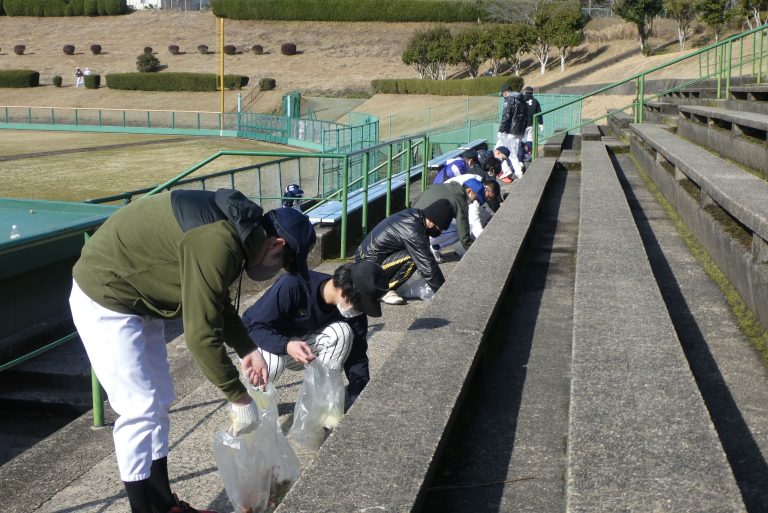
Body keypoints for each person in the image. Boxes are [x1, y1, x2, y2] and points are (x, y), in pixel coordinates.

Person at [68, 188, 316, 513]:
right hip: (105, 296)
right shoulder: (219, 242)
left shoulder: (240, 234)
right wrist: (238, 396)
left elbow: (216, 302)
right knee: (138, 409)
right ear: (277, 245)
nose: (276, 272)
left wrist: (247, 349)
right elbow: (200, 336)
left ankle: (163, 505)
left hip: (138, 299)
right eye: (282, 264)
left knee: (159, 400)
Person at [242, 260, 388, 405]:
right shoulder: (293, 285)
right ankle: (251, 406)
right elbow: (256, 328)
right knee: (273, 364)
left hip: (299, 345)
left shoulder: (353, 310)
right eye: (360, 306)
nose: (360, 311)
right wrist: (286, 345)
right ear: (343, 292)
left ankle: (318, 404)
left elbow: (358, 356)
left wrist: (360, 398)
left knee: (342, 332)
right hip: (257, 338)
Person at [355, 199, 453, 305]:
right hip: (368, 268)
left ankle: (385, 285)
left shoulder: (414, 216)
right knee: (413, 258)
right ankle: (383, 291)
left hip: (366, 260)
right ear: (432, 222)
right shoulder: (413, 230)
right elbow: (427, 264)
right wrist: (445, 294)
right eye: (440, 228)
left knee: (417, 255)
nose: (440, 232)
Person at [413, 179, 485, 260]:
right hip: (420, 233)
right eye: (475, 198)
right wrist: (474, 255)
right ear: (469, 191)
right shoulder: (460, 200)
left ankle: (432, 246)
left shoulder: (445, 186)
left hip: (409, 219)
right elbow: (463, 234)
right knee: (458, 231)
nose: (473, 201)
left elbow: (415, 202)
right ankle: (431, 248)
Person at [497, 84, 527, 178]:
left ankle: (507, 170)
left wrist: (501, 130)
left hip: (510, 131)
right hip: (520, 131)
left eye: (503, 94)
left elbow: (506, 116)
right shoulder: (522, 99)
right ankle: (518, 172)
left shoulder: (509, 99)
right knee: (512, 153)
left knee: (500, 151)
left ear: (505, 92)